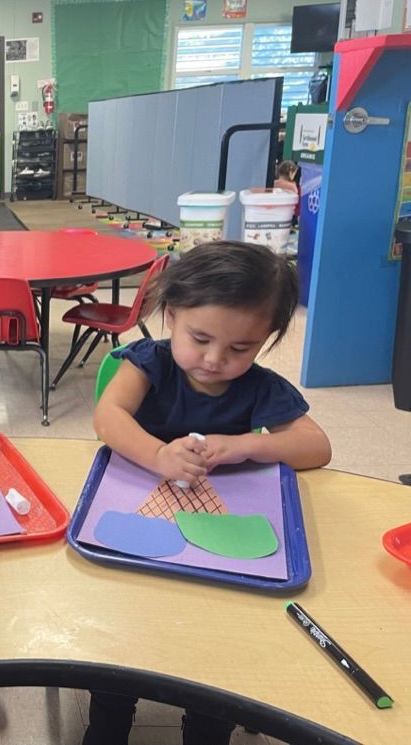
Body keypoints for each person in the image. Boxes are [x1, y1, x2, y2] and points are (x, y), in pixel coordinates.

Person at [86, 240, 331, 745]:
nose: (215, 359)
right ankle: (107, 722)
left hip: (220, 539)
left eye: (241, 348)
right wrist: (157, 455)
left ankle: (207, 725)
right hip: (138, 520)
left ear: (265, 340)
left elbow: (316, 446)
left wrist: (245, 445)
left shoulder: (260, 388)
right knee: (122, 638)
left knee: (219, 646)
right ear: (171, 315)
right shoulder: (149, 362)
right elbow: (108, 417)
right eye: (200, 338)